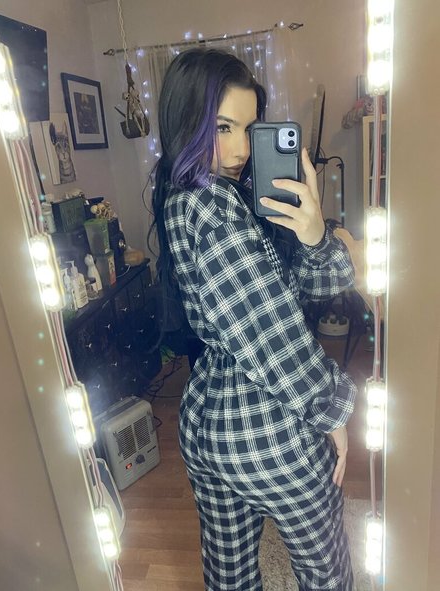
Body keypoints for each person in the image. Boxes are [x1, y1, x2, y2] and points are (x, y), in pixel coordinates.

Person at [149, 48, 357, 591]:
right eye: (222, 127)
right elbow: (273, 337)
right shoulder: (211, 208)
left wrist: (313, 233)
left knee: (230, 573)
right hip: (267, 429)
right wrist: (333, 410)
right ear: (187, 122)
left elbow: (317, 286)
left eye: (249, 127)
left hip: (207, 423)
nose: (241, 149)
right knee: (326, 570)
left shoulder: (202, 199)